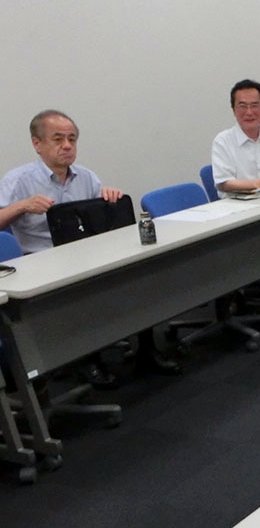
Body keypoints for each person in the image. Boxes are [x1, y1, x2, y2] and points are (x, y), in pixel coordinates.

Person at [0, 110, 181, 380]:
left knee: (138, 274)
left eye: (72, 139)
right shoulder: (18, 181)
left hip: (85, 254)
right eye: (58, 139)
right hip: (44, 262)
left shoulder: (85, 177)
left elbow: (99, 220)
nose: (67, 146)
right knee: (82, 291)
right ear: (37, 144)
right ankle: (86, 359)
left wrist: (109, 197)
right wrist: (21, 206)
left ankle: (146, 349)